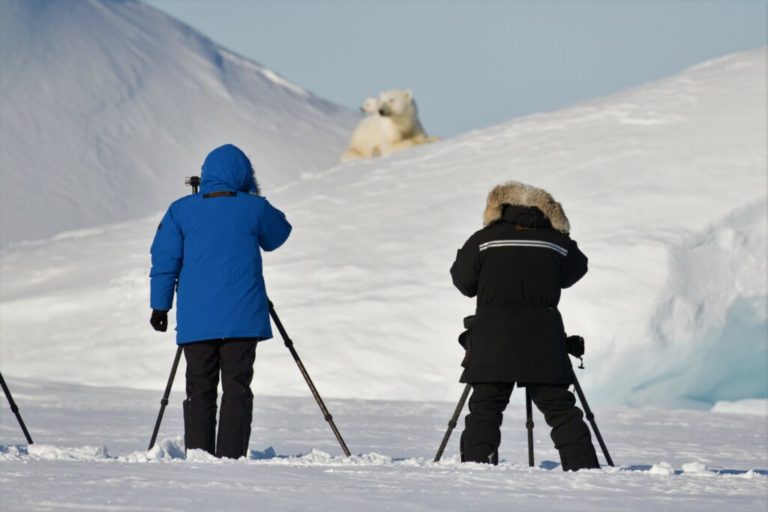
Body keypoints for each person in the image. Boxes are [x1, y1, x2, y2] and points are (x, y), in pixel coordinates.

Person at [149, 144, 291, 459]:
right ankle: (232, 456)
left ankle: (199, 453)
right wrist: (252, 195)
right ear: (244, 174)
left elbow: (164, 259)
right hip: (242, 317)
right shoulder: (254, 207)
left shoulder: (181, 209)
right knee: (237, 387)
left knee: (199, 388)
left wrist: (160, 306)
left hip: (197, 320)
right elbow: (279, 234)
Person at [450, 180, 600, 471]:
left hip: (492, 338)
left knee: (485, 407)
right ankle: (584, 470)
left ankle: (475, 470)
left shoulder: (483, 239)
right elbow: (575, 271)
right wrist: (560, 236)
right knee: (560, 408)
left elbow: (463, 282)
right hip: (543, 339)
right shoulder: (555, 242)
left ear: (499, 208)